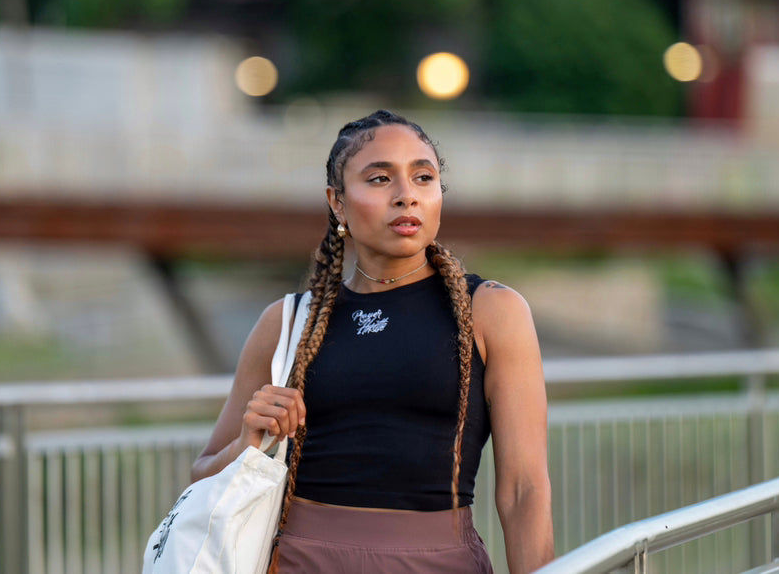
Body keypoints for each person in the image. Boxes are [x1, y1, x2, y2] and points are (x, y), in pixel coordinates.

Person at [192, 110, 553, 573]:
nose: (407, 196)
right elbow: (202, 474)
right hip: (299, 561)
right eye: (380, 179)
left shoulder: (492, 311)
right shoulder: (287, 322)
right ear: (337, 203)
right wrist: (248, 441)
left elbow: (524, 489)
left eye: (424, 177)